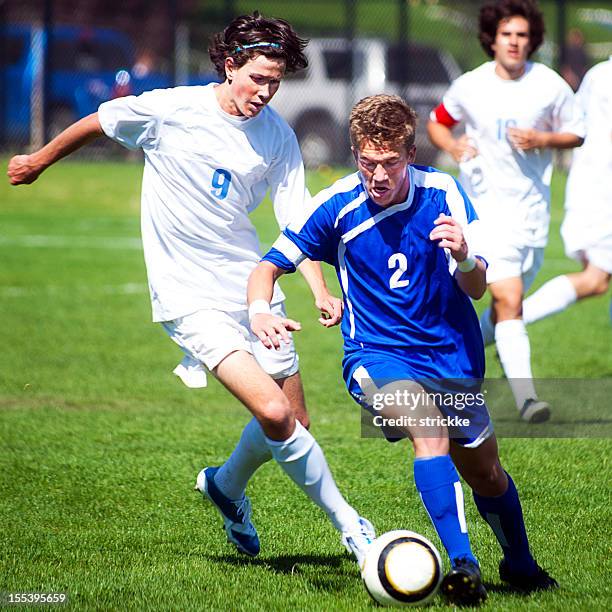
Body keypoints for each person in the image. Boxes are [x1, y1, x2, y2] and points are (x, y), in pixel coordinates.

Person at [7, 12, 375, 565]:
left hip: (252, 291)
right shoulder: (171, 109)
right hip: (188, 296)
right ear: (230, 67)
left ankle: (225, 489)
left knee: (294, 421)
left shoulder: (276, 135)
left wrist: (320, 289)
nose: (266, 92)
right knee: (274, 414)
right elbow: (98, 122)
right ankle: (352, 527)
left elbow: (298, 223)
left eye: (275, 82)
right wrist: (38, 160)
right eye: (257, 79)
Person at [248, 94, 558, 606]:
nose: (378, 175)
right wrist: (261, 312)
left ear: (411, 153)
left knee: (486, 472)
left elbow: (479, 288)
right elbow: (267, 266)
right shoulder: (337, 205)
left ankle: (520, 565)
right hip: (376, 356)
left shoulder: (445, 194)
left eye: (390, 162)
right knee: (428, 431)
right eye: (367, 162)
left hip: (452, 361)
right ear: (355, 155)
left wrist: (462, 255)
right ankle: (463, 565)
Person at [427, 0, 584, 423]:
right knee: (510, 300)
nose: (514, 42)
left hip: (531, 215)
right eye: (506, 34)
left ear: (531, 40)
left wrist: (542, 139)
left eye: (521, 35)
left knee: (502, 312)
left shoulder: (549, 85)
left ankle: (450, 364)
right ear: (491, 40)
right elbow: (437, 121)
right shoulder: (470, 85)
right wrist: (454, 145)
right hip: (486, 213)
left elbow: (577, 132)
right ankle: (527, 399)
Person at [522, 57, 612, 325]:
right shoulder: (604, 77)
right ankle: (505, 328)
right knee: (595, 280)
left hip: (591, 184)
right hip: (602, 191)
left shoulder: (598, 73)